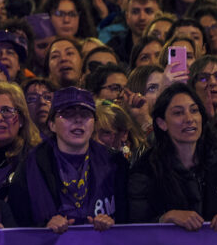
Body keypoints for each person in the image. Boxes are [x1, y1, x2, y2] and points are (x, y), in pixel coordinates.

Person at [9, 87, 128, 232]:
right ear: (52, 125)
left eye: (85, 114)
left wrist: (114, 224)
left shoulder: (115, 162)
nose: (78, 120)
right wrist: (44, 227)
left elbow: (130, 219)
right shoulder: (31, 164)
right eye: (68, 114)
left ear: (94, 125)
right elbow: (17, 224)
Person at [129, 83, 217, 230]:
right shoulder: (145, 170)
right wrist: (164, 218)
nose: (189, 119)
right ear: (162, 123)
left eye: (194, 110)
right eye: (178, 113)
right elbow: (133, 228)